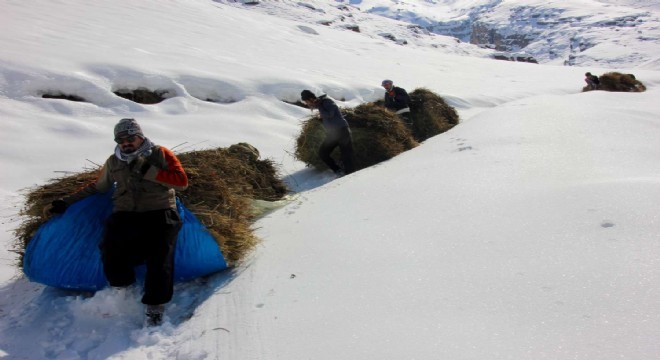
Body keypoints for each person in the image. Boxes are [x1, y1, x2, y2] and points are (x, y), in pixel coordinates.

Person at [49, 118, 188, 326]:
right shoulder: (114, 161)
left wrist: (148, 171)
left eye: (130, 138)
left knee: (159, 257)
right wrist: (66, 201)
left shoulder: (160, 153)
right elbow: (98, 187)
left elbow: (181, 182)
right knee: (110, 247)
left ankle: (155, 306)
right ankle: (123, 287)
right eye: (120, 139)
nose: (126, 143)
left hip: (159, 212)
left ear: (140, 137)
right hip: (126, 213)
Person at [300, 90, 355, 176]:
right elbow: (328, 117)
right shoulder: (320, 105)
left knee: (346, 154)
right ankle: (337, 170)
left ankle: (350, 175)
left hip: (342, 130)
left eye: (307, 101)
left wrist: (321, 115)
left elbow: (330, 114)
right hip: (333, 134)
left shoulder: (327, 101)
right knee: (323, 153)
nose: (307, 103)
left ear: (310, 98)